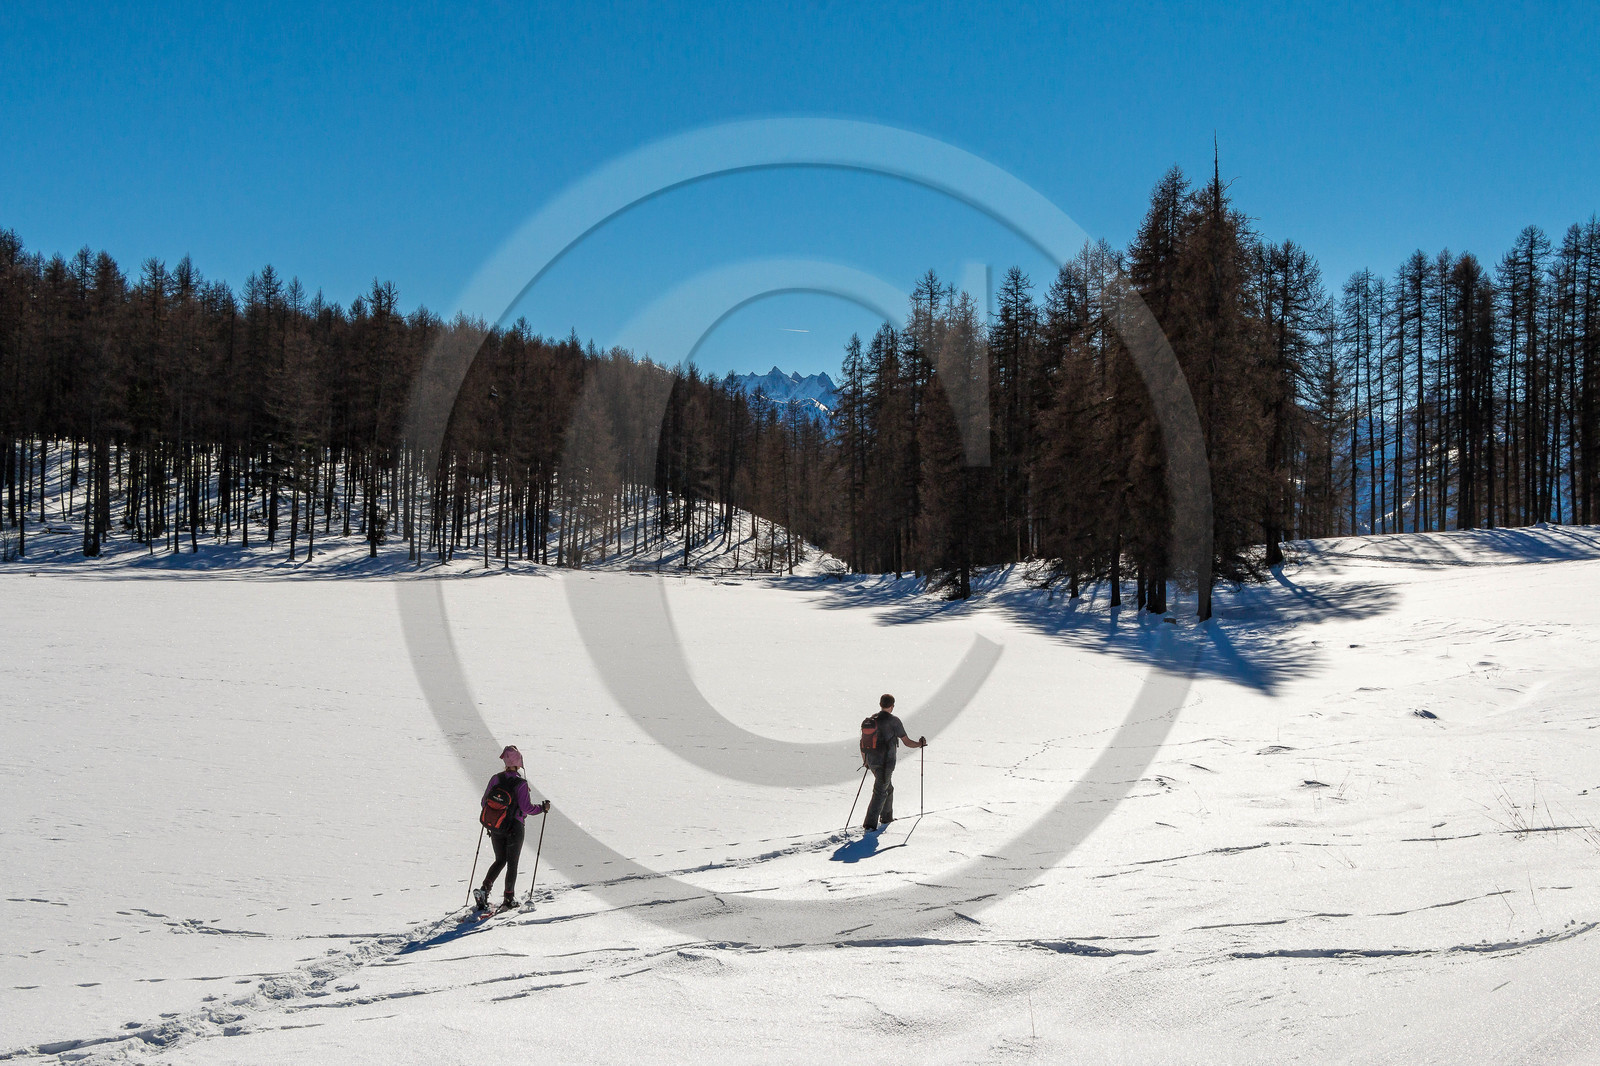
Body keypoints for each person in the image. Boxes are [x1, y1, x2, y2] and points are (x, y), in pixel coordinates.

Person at [475, 745, 549, 911]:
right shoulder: (521, 783)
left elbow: (484, 802)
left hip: (496, 826)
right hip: (515, 827)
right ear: (519, 764)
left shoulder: (496, 779)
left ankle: (484, 890)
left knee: (500, 859)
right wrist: (542, 808)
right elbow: (526, 808)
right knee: (512, 863)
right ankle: (508, 898)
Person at [861, 693, 926, 832]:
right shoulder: (894, 721)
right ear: (892, 706)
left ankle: (887, 817)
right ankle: (870, 824)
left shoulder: (872, 720)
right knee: (880, 792)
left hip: (872, 761)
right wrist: (919, 744)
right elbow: (907, 742)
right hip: (886, 763)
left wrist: (865, 761)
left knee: (887, 788)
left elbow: (863, 743)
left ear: (880, 704)